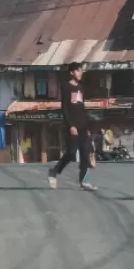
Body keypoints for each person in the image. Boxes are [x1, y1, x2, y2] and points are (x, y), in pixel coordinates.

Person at [48, 62, 95, 191]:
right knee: (71, 153)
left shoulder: (81, 87)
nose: (80, 74)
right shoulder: (66, 87)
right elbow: (65, 108)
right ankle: (54, 171)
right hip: (72, 126)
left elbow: (82, 108)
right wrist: (70, 125)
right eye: (78, 71)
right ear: (71, 72)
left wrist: (87, 127)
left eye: (81, 71)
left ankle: (84, 181)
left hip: (83, 126)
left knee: (85, 154)